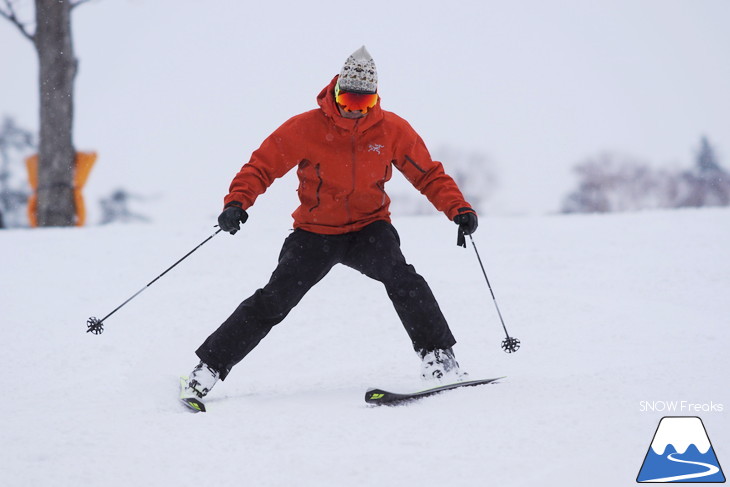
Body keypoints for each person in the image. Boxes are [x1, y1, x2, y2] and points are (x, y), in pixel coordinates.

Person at [182, 46, 479, 401]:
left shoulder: (392, 130)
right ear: (336, 91)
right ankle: (208, 368)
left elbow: (428, 175)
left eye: (364, 103)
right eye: (349, 99)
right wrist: (237, 202)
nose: (355, 109)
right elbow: (261, 167)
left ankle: (439, 359)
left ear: (375, 99)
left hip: (370, 229)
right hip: (314, 233)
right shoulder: (305, 127)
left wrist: (458, 209)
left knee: (404, 279)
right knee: (274, 300)